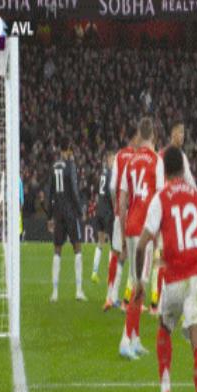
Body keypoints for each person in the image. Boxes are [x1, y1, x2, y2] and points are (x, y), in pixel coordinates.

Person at [134, 146, 197, 392]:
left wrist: (139, 281)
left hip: (171, 281)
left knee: (164, 327)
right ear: (183, 169)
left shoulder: (160, 199)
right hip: (195, 278)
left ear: (165, 170)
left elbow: (142, 245)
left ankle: (165, 390)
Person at [119, 117, 164, 360]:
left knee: (138, 283)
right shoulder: (156, 161)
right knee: (140, 287)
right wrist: (158, 234)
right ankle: (125, 339)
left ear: (140, 134)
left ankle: (135, 339)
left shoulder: (130, 160)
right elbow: (160, 199)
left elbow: (122, 201)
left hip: (130, 227)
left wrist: (123, 233)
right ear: (153, 136)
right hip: (146, 230)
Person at [149, 121, 197, 315]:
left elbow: (189, 182)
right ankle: (161, 302)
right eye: (179, 132)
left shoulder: (167, 156)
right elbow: (162, 187)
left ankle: (160, 301)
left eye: (184, 132)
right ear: (172, 134)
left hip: (172, 213)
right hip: (170, 213)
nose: (182, 136)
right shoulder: (168, 157)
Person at [47, 138, 86, 302]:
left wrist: (49, 216)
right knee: (77, 248)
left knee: (57, 250)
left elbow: (49, 193)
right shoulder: (70, 166)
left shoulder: (53, 166)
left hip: (58, 213)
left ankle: (55, 293)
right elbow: (75, 191)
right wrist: (80, 210)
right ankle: (78, 291)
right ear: (68, 150)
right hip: (70, 212)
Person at [107, 128, 138, 312]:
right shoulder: (136, 158)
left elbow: (112, 187)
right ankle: (126, 298)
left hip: (120, 212)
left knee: (118, 253)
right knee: (130, 255)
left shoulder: (119, 156)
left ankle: (112, 295)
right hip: (133, 212)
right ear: (135, 138)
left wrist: (116, 206)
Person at [91, 150, 115, 295]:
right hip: (107, 213)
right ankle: (110, 276)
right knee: (113, 245)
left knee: (100, 242)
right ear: (109, 160)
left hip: (99, 210)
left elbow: (98, 191)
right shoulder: (111, 174)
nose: (115, 162)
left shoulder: (102, 174)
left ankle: (94, 272)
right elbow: (112, 193)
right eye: (113, 159)